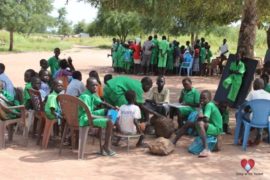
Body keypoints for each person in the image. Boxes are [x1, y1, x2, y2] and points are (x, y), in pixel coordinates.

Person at [173, 90, 223, 158]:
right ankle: (173, 142)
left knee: (200, 123)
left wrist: (199, 117)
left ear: (209, 99)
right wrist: (200, 108)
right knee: (188, 123)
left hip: (216, 128)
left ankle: (206, 149)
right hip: (210, 125)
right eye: (201, 98)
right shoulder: (203, 105)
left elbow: (206, 119)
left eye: (204, 98)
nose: (202, 100)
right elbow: (200, 116)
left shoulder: (209, 105)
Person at [78, 78, 116, 156]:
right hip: (85, 118)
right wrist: (103, 118)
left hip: (90, 114)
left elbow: (102, 102)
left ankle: (109, 131)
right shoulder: (85, 96)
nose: (95, 87)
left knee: (112, 112)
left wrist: (113, 107)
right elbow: (89, 115)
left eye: (96, 85)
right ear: (87, 86)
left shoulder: (91, 94)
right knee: (109, 121)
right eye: (93, 85)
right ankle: (106, 146)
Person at [237, 78, 270, 145]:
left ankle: (242, 138)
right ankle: (259, 134)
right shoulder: (268, 95)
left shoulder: (252, 93)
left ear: (254, 86)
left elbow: (245, 106)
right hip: (266, 120)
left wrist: (244, 109)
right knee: (260, 116)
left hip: (254, 118)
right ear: (263, 86)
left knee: (240, 114)